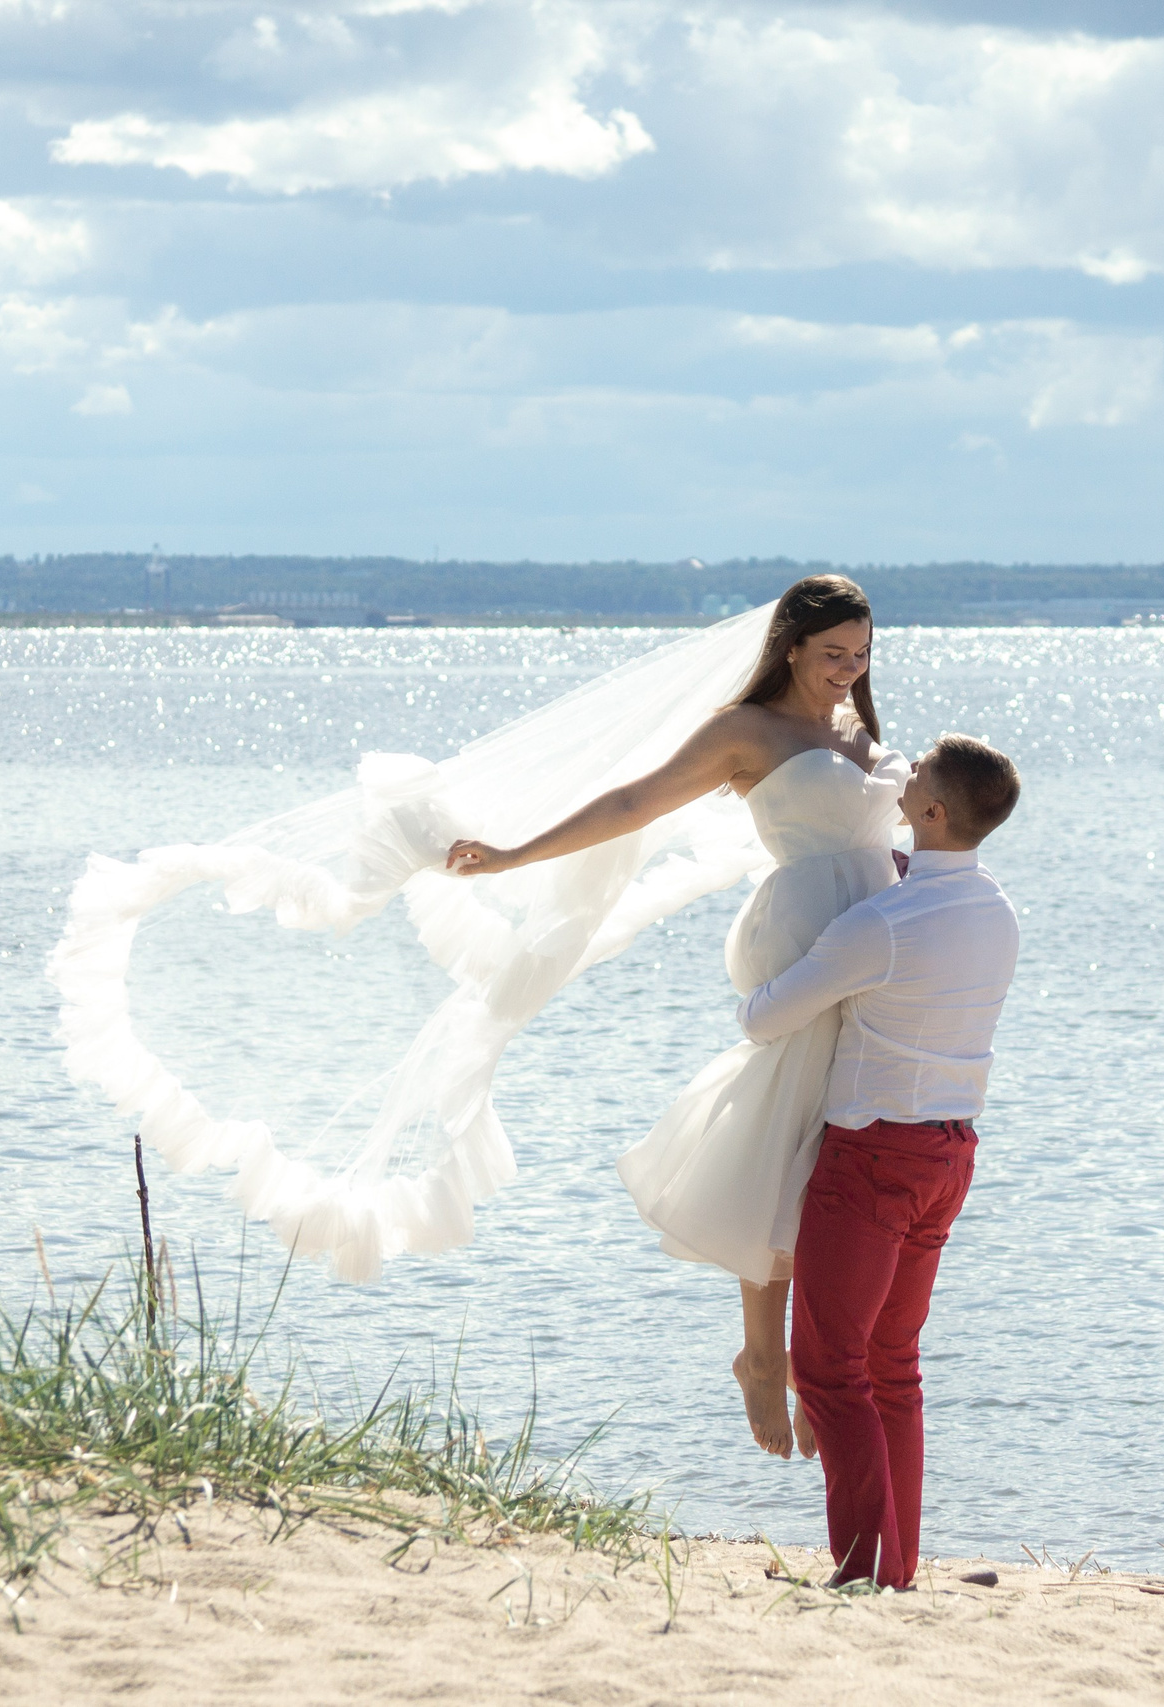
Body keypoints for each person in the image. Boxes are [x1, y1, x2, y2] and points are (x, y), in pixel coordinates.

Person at [446, 575, 905, 1457]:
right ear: (790, 646)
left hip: (877, 950)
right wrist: (510, 857)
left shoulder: (854, 729)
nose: (848, 671)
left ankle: (822, 1354)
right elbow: (633, 802)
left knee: (843, 1148)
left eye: (861, 655)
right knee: (783, 1137)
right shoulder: (745, 731)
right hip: (804, 940)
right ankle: (766, 1357)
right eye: (832, 654)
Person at [736, 734, 1022, 1589]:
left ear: (932, 810)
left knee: (828, 1367)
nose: (910, 770)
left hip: (873, 1157)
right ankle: (896, 1562)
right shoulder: (998, 910)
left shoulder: (879, 924)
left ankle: (868, 1570)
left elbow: (762, 1017)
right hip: (950, 1152)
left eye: (921, 769)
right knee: (894, 1363)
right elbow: (916, 887)